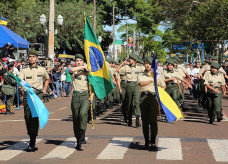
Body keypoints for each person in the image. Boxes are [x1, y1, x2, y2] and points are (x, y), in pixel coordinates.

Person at [19, 49, 49, 152]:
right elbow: (20, 80)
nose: (31, 58)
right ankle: (31, 134)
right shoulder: (24, 69)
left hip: (37, 95)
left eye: (33, 56)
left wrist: (44, 90)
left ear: (37, 58)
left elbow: (47, 79)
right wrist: (24, 85)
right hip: (28, 95)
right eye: (29, 56)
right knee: (27, 117)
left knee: (34, 117)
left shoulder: (42, 69)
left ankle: (32, 140)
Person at [138, 56, 165, 151]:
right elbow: (140, 83)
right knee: (145, 121)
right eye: (146, 63)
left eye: (149, 64)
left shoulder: (157, 75)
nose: (147, 65)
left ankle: (153, 141)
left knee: (153, 121)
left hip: (153, 98)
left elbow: (163, 85)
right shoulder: (141, 74)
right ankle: (146, 141)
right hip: (144, 98)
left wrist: (159, 92)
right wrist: (150, 80)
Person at [69, 54, 94, 151]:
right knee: (76, 118)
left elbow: (93, 86)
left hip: (85, 96)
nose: (78, 62)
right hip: (75, 96)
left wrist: (91, 96)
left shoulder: (89, 72)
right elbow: (70, 70)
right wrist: (83, 67)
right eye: (77, 61)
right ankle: (78, 139)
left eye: (80, 60)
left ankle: (82, 133)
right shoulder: (74, 71)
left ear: (83, 61)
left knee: (82, 114)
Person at [116, 53, 141, 127]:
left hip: (136, 85)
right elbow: (117, 70)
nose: (130, 60)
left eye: (131, 59)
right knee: (129, 104)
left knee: (136, 103)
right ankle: (129, 120)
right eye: (129, 58)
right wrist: (123, 63)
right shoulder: (126, 67)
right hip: (128, 85)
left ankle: (137, 120)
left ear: (135, 60)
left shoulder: (139, 68)